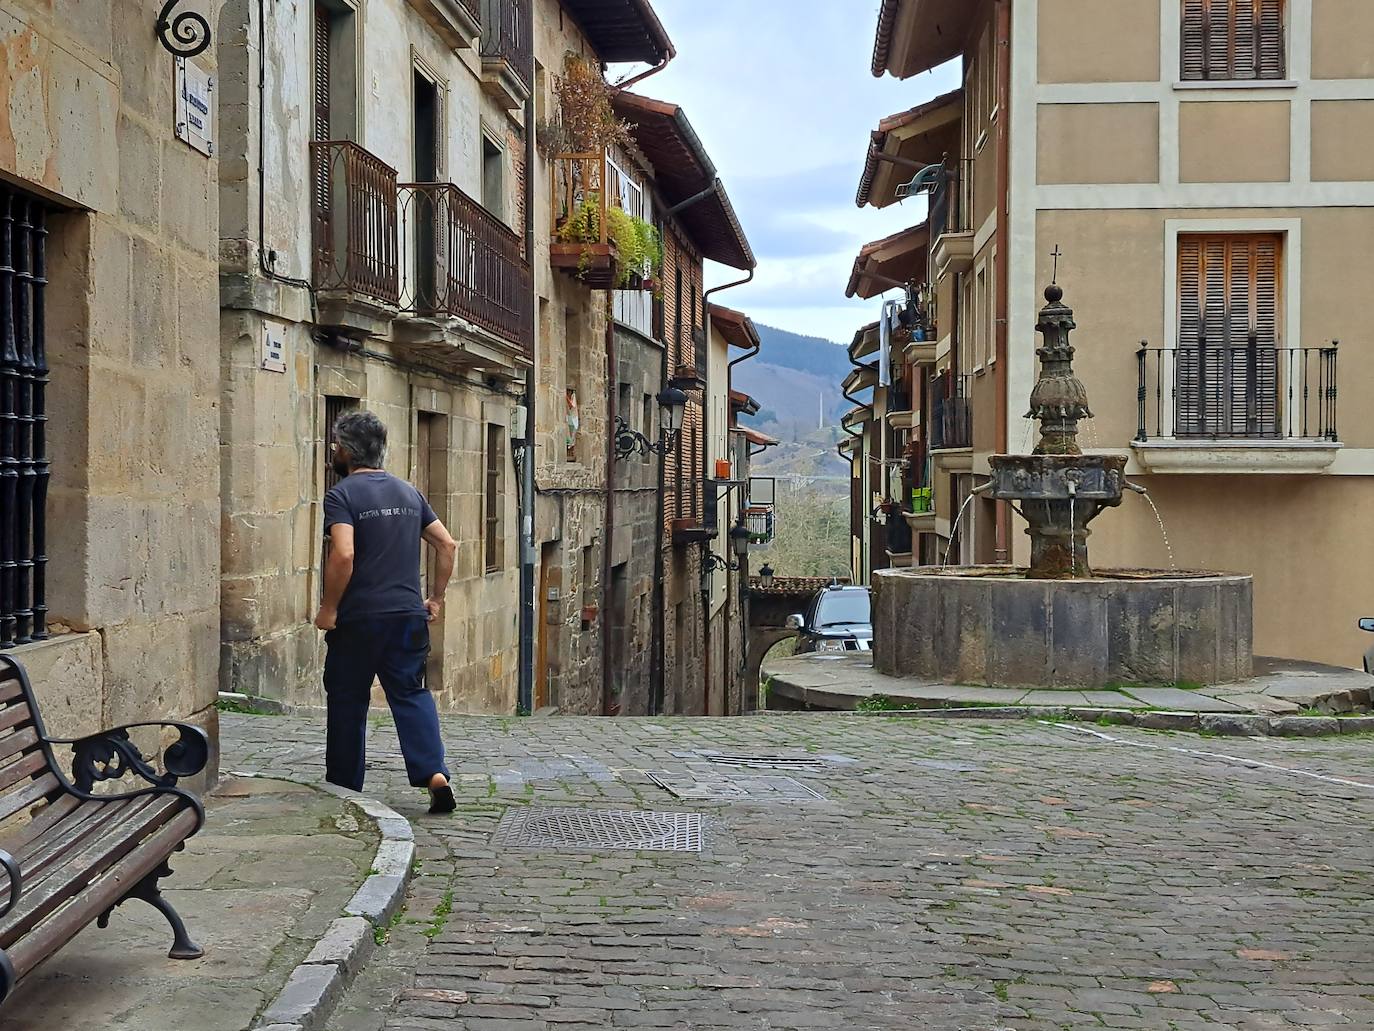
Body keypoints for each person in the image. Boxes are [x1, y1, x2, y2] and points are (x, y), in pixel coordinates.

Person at [314, 410, 458, 814]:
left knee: (347, 699)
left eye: (335, 445)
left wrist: (328, 609)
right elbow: (447, 545)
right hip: (407, 618)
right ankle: (434, 773)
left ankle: (344, 787)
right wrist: (436, 598)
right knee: (411, 694)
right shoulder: (408, 492)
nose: (333, 451)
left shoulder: (341, 495)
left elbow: (344, 553)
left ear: (345, 450)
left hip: (359, 620)